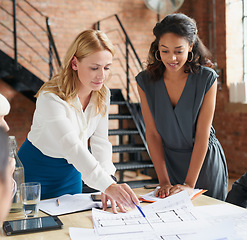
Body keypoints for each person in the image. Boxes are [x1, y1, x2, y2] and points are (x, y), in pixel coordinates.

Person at [17, 29, 139, 213]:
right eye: (94, 67)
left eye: (106, 67)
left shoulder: (103, 94)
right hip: (35, 172)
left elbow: (100, 142)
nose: (101, 76)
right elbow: (71, 145)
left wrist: (108, 179)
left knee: (71, 225)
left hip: (72, 172)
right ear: (75, 63)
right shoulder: (50, 97)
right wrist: (106, 185)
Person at [136, 13, 228, 200]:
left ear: (190, 47)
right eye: (165, 51)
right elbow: (152, 134)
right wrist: (163, 181)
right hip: (170, 166)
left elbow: (202, 134)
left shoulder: (206, 79)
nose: (172, 58)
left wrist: (189, 184)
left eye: (179, 51)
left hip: (204, 165)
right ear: (157, 49)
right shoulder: (145, 81)